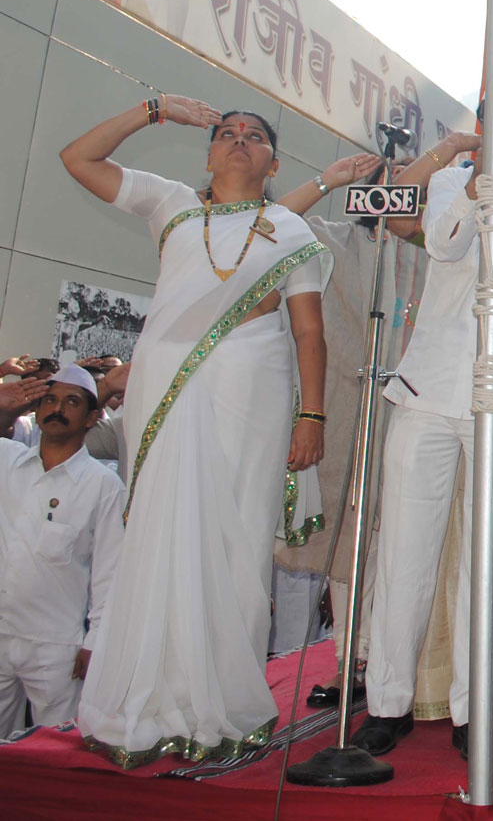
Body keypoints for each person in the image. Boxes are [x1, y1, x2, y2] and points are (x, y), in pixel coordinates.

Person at [63, 98, 332, 767]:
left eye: (255, 137)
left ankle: (221, 704)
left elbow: (308, 331)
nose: (240, 142)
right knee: (163, 533)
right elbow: (78, 158)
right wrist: (152, 110)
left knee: (237, 543)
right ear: (207, 152)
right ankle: (151, 702)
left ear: (272, 161)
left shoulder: (289, 230)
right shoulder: (172, 206)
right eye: (226, 133)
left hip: (257, 393)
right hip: (169, 392)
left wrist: (313, 414)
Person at [354, 75, 493, 762]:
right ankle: (386, 702)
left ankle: (477, 708)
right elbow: (445, 245)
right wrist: (482, 184)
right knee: (405, 551)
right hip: (427, 390)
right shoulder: (452, 183)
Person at [276, 137, 470, 704]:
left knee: (404, 538)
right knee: (347, 535)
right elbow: (266, 229)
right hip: (345, 409)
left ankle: (396, 663)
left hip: (421, 410)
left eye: (404, 186)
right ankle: (348, 661)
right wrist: (328, 182)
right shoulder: (331, 243)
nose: (390, 196)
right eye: (378, 187)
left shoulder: (441, 251)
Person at [0, 365, 125, 736]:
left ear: (91, 418)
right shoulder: (8, 462)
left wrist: (95, 645)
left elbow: (110, 576)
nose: (58, 409)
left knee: (53, 752)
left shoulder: (103, 486)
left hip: (56, 649)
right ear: (37, 412)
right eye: (51, 400)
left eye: (71, 402)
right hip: (2, 633)